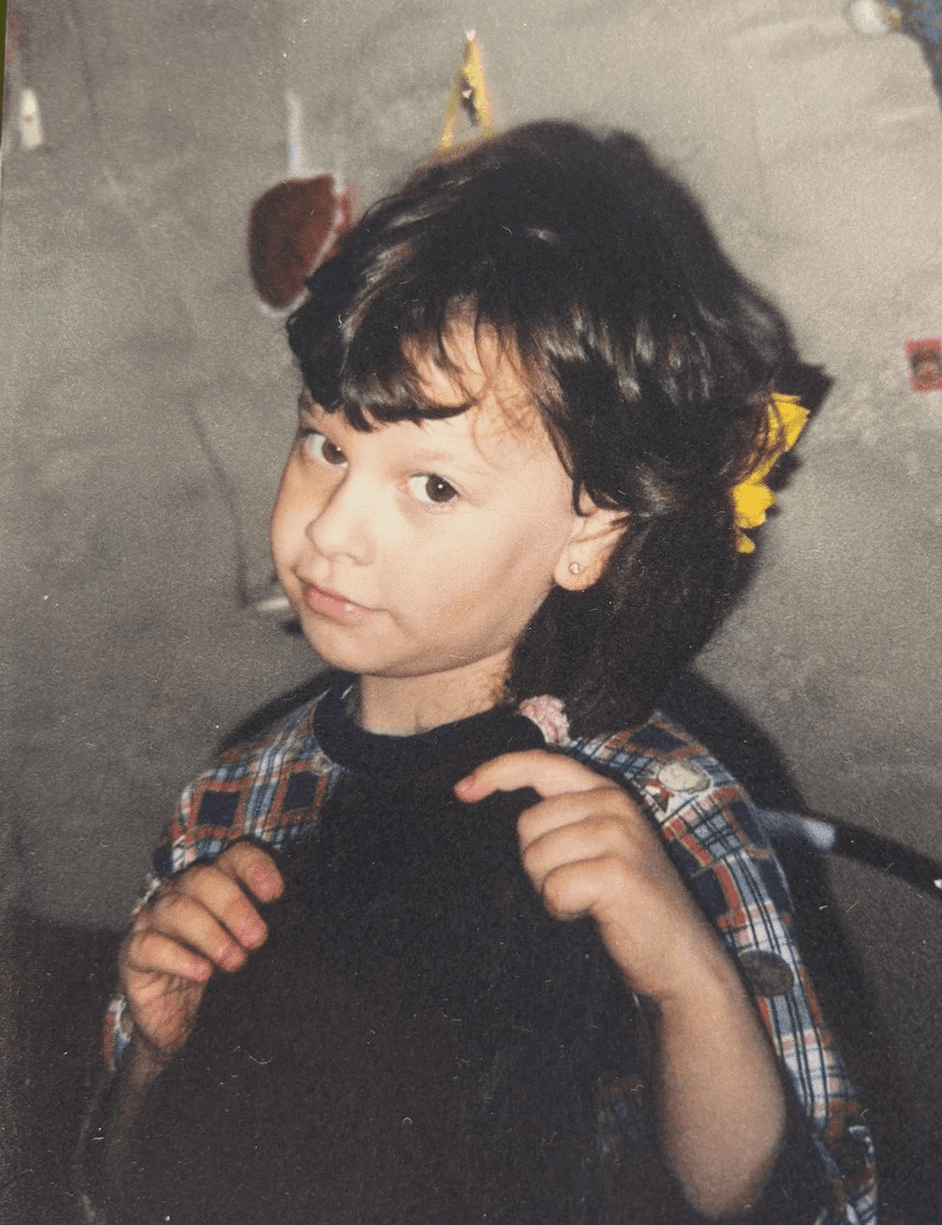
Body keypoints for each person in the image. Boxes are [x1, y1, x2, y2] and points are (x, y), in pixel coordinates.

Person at [79, 121, 876, 1224]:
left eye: (433, 486)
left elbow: (789, 1197)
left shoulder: (663, 810)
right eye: (326, 445)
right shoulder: (234, 797)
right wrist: (161, 1059)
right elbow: (124, 1188)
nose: (331, 530)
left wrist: (686, 980)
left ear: (589, 532)